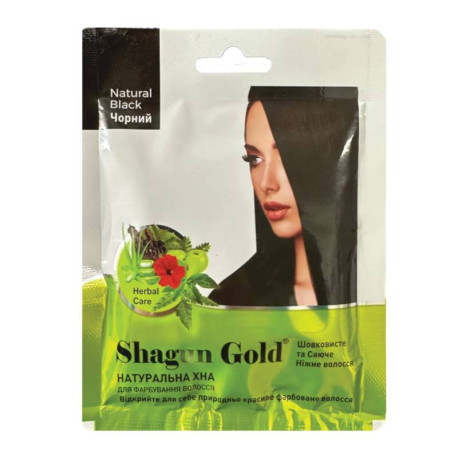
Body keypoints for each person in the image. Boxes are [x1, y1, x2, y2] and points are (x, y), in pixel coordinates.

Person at [209, 86, 359, 306]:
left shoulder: (375, 285)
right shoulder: (231, 301)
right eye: (254, 159)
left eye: (288, 154)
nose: (266, 183)